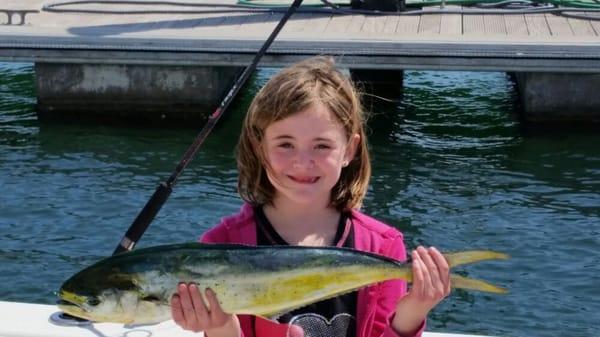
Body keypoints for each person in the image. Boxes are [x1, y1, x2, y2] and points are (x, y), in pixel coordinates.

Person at [170, 56, 451, 337]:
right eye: (286, 144)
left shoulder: (383, 246)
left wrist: (413, 311)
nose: (303, 162)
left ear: (349, 150)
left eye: (321, 146)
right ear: (259, 147)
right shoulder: (219, 245)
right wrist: (219, 326)